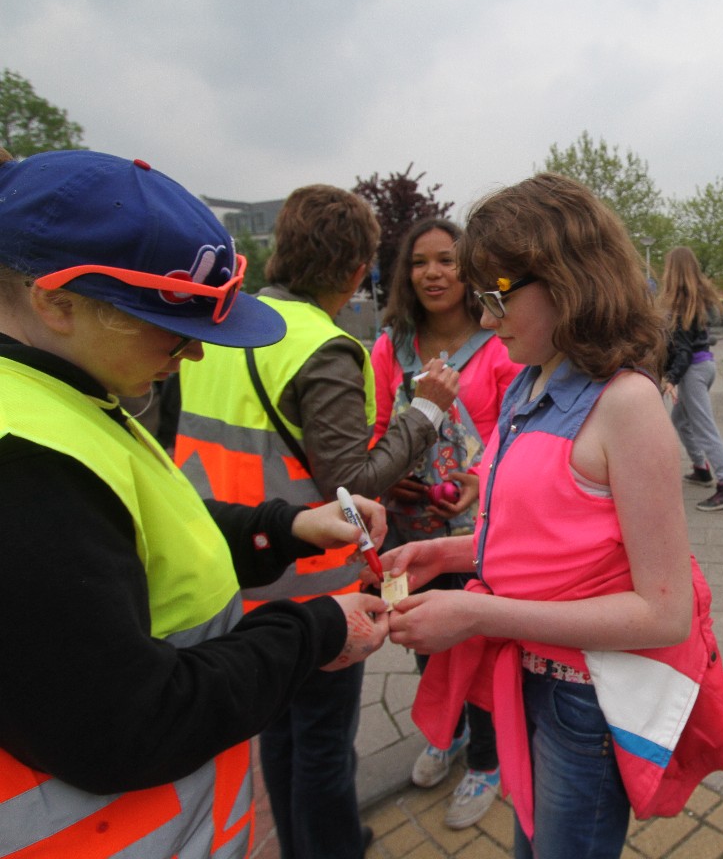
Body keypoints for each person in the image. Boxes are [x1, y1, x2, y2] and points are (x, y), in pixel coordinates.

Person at [0, 149, 391, 859]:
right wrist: (314, 631)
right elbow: (130, 723)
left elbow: (137, 534)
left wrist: (289, 527)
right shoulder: (22, 462)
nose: (196, 354)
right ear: (55, 301)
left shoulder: (58, 394)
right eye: (173, 326)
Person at [384, 173, 723, 859]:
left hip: (585, 699)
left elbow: (663, 613)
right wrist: (450, 554)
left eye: (496, 297)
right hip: (529, 677)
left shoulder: (626, 405)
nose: (485, 320)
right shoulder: (530, 379)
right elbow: (552, 537)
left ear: (567, 280)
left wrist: (478, 613)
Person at [172, 185, 459, 859]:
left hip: (229, 565)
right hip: (309, 585)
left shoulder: (222, 327)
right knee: (324, 744)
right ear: (358, 271)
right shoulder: (323, 347)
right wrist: (426, 411)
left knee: (279, 732)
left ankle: (305, 842)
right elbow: (351, 481)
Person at [371, 216, 520, 827]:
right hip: (407, 528)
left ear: (470, 271)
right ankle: (446, 732)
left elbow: (515, 430)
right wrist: (388, 475)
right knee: (418, 633)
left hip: (474, 531)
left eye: (447, 260)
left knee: (475, 643)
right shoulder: (391, 346)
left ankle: (487, 759)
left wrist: (476, 481)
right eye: (419, 262)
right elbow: (376, 428)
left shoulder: (499, 344)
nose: (432, 273)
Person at [658, 246, 723, 511]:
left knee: (705, 429)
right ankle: (701, 469)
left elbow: (682, 351)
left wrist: (670, 379)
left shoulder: (681, 306)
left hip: (692, 372)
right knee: (680, 421)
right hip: (705, 366)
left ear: (672, 271)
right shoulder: (698, 300)